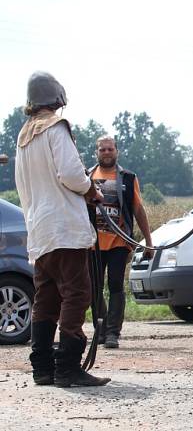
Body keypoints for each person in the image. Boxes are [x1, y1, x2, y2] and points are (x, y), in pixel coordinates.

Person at [15, 71, 110, 387]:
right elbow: (70, 173)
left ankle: (42, 367)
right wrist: (90, 191)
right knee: (76, 293)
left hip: (40, 230)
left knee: (46, 298)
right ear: (57, 97)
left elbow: (22, 186)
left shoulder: (24, 137)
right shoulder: (56, 128)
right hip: (64, 228)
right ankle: (68, 367)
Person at [88, 135, 153, 349]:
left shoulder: (127, 177)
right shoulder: (86, 177)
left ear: (117, 151)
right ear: (96, 152)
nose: (106, 153)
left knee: (115, 285)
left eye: (110, 149)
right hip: (93, 243)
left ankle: (113, 333)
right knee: (93, 287)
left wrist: (148, 241)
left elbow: (137, 209)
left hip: (118, 242)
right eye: (102, 150)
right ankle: (101, 329)